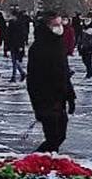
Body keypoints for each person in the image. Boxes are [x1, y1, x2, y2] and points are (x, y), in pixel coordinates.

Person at [27, 12, 76, 153]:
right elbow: (33, 80)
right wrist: (38, 107)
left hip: (60, 98)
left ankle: (46, 162)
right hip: (45, 99)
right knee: (53, 138)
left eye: (60, 24)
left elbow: (64, 73)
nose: (59, 27)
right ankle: (37, 162)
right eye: (55, 25)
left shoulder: (59, 45)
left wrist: (70, 96)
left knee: (60, 136)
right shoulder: (38, 48)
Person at [7, 10, 28, 83]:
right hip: (13, 44)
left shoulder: (20, 24)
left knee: (14, 60)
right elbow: (9, 34)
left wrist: (21, 46)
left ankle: (14, 76)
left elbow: (22, 36)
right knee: (14, 60)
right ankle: (22, 73)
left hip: (18, 44)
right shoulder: (11, 23)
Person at [77, 14, 92, 79]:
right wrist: (79, 45)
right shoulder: (82, 28)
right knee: (84, 60)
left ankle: (89, 72)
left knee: (88, 60)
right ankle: (90, 70)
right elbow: (80, 37)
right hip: (83, 46)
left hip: (89, 46)